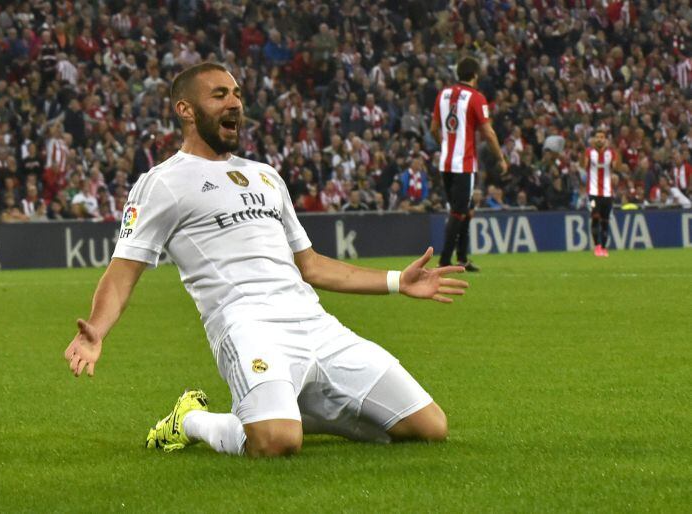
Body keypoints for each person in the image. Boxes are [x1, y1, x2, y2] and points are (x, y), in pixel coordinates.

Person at [64, 63, 469, 458]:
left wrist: (399, 281)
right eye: (219, 94)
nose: (234, 103)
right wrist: (96, 330)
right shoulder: (162, 183)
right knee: (276, 443)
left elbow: (311, 266)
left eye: (237, 94)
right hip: (247, 327)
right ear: (185, 110)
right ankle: (190, 420)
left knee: (430, 428)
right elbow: (123, 272)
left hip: (315, 324)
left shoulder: (266, 176)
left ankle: (287, 410)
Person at [431, 56, 507, 272]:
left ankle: (462, 258)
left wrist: (445, 145)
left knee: (465, 210)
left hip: (445, 164)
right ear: (475, 75)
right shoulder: (476, 97)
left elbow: (434, 129)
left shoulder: (443, 94)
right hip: (463, 165)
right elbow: (488, 133)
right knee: (458, 211)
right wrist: (501, 157)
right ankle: (444, 261)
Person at [579, 128, 620, 257]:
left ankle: (603, 248)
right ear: (593, 140)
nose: (599, 139)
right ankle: (597, 247)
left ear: (605, 140)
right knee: (595, 217)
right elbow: (583, 165)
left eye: (602, 137)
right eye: (597, 137)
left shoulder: (611, 153)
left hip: (608, 193)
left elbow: (616, 167)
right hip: (592, 193)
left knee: (605, 221)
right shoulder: (588, 152)